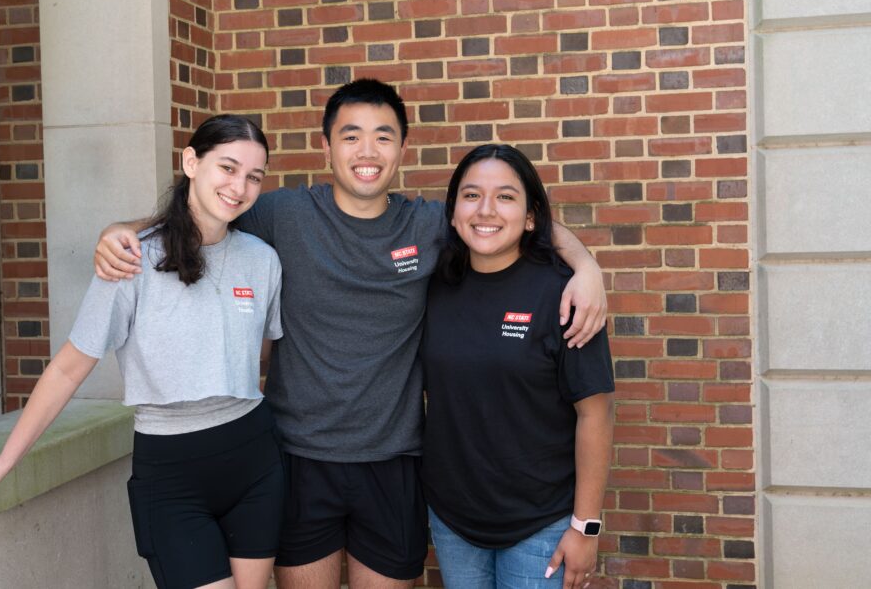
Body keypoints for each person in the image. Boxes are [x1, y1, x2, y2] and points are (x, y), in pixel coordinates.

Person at [93, 79, 609, 588]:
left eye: (383, 136)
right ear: (327, 147)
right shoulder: (283, 215)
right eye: (351, 135)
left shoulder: (428, 224)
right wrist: (125, 230)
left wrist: (585, 265)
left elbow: (508, 218)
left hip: (394, 462)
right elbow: (201, 214)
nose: (368, 150)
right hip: (297, 458)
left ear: (402, 148)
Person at [0, 115, 285, 589]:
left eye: (254, 176)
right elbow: (68, 369)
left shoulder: (262, 259)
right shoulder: (131, 258)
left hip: (253, 457)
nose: (239, 186)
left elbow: (258, 354)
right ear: (191, 162)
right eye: (228, 167)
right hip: (173, 470)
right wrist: (3, 460)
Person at [420, 144, 614, 589]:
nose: (486, 209)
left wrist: (586, 526)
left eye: (506, 196)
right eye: (471, 195)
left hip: (540, 522)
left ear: (530, 217)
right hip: (453, 518)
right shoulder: (433, 285)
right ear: (452, 213)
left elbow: (595, 413)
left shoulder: (565, 296)